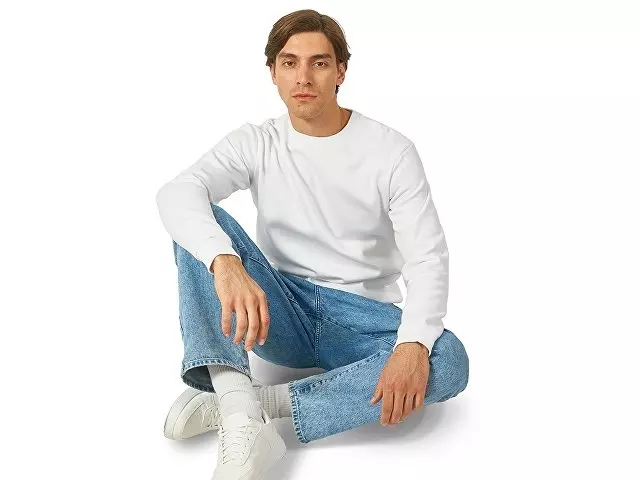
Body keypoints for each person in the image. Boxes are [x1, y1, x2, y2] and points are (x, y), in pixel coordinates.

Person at [156, 8, 469, 480]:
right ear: (273, 73)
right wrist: (226, 263)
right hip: (279, 310)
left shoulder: (391, 151)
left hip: (362, 318)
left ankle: (246, 402)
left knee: (447, 360)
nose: (303, 77)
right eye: (290, 63)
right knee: (202, 224)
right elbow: (176, 193)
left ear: (340, 71)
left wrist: (410, 346)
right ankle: (241, 420)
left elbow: (427, 258)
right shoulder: (257, 141)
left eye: (319, 63)